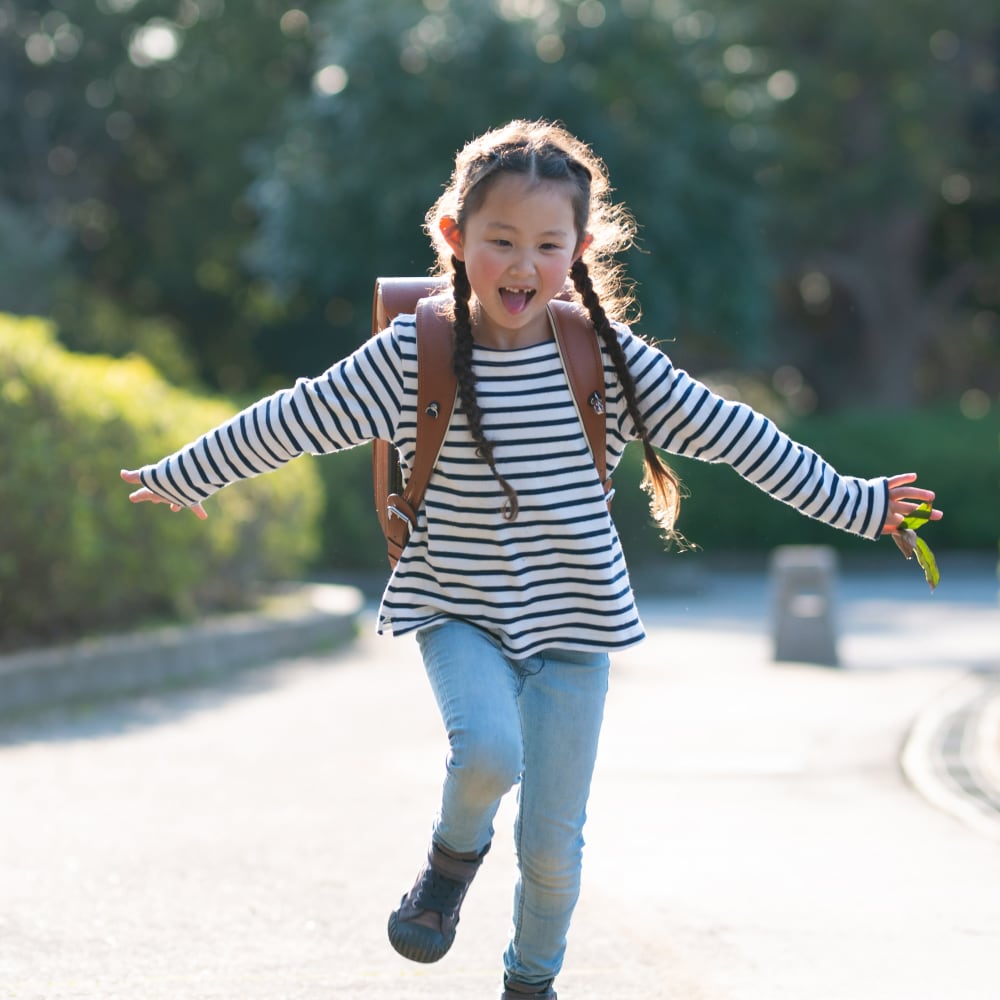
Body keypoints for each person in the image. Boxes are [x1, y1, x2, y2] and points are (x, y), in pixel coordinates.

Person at [120, 119, 941, 1000]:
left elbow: (737, 435)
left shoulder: (609, 361)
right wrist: (186, 471)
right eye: (501, 241)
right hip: (458, 607)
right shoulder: (416, 352)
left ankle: (530, 982)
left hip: (575, 624)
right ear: (455, 238)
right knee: (487, 757)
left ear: (580, 249)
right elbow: (295, 417)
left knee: (553, 847)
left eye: (548, 245)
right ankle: (448, 865)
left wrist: (855, 504)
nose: (523, 266)